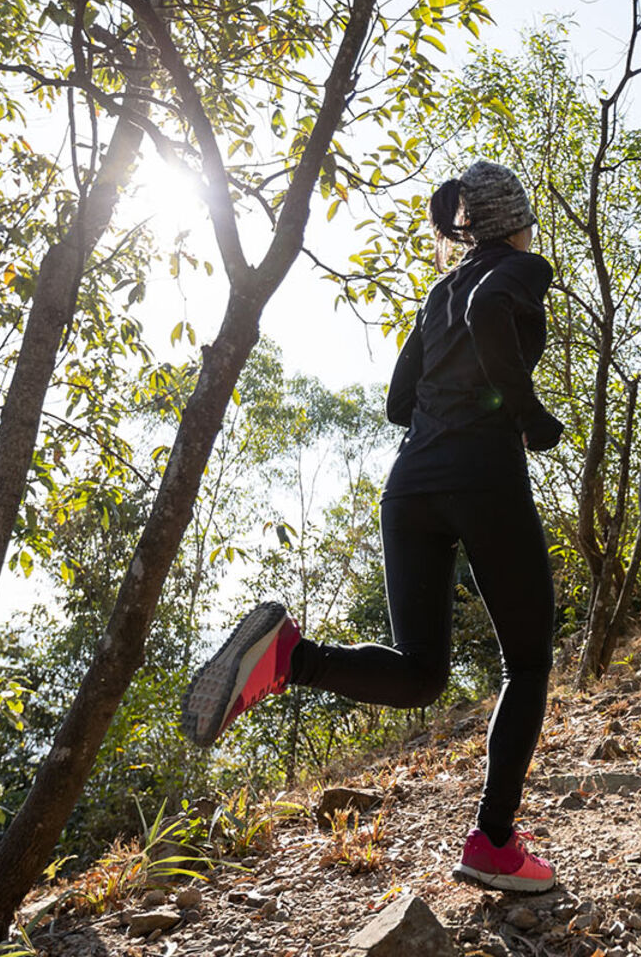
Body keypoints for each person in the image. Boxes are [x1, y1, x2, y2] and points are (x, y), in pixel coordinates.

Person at [181, 160, 564, 893]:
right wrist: (527, 416)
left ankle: (291, 659)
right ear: (515, 220)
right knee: (528, 663)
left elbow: (396, 401)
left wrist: (454, 400)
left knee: (422, 672)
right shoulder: (518, 268)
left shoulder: (439, 290)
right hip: (481, 478)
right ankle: (492, 843)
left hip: (411, 484)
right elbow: (490, 319)